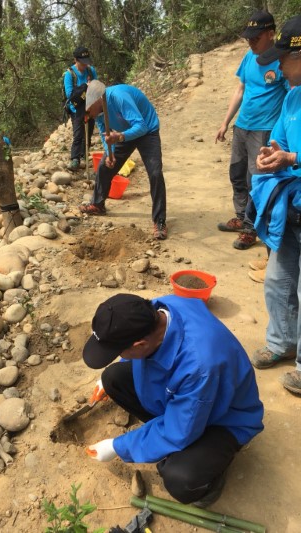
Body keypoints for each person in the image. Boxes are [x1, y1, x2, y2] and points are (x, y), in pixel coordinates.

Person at [83, 293, 264, 507]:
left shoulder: (199, 366)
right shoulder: (161, 309)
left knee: (180, 478)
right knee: (112, 378)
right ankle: (161, 435)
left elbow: (178, 430)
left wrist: (118, 446)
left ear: (140, 344)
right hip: (193, 396)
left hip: (224, 417)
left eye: (118, 351)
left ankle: (211, 477)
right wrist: (112, 373)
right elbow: (135, 348)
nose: (116, 355)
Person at [249, 15, 301, 396]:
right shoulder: (293, 96)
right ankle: (283, 342)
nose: (280, 65)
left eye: (286, 58)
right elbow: (282, 141)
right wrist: (273, 153)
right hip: (292, 207)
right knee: (278, 281)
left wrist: (293, 158)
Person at [216, 10, 288, 250]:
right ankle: (241, 215)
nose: (251, 42)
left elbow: (291, 96)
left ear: (271, 34)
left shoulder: (282, 61)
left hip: (264, 130)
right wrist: (226, 122)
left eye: (255, 38)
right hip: (242, 126)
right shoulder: (248, 57)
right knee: (236, 173)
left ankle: (251, 227)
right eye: (248, 38)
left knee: (255, 179)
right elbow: (240, 89)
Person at [79, 80, 168, 240]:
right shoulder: (98, 110)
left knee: (155, 173)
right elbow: (103, 132)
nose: (88, 116)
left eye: (87, 112)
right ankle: (98, 204)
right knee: (104, 167)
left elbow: (141, 127)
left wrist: (120, 136)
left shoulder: (119, 97)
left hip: (147, 130)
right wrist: (110, 153)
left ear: (95, 101)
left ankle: (159, 221)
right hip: (123, 133)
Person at [63, 46, 98, 171]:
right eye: (82, 62)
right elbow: (70, 94)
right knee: (78, 134)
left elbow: (97, 86)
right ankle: (75, 159)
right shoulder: (69, 74)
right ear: (75, 60)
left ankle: (84, 156)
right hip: (76, 109)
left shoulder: (91, 71)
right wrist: (84, 87)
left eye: (86, 62)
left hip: (90, 107)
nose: (85, 65)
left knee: (88, 134)